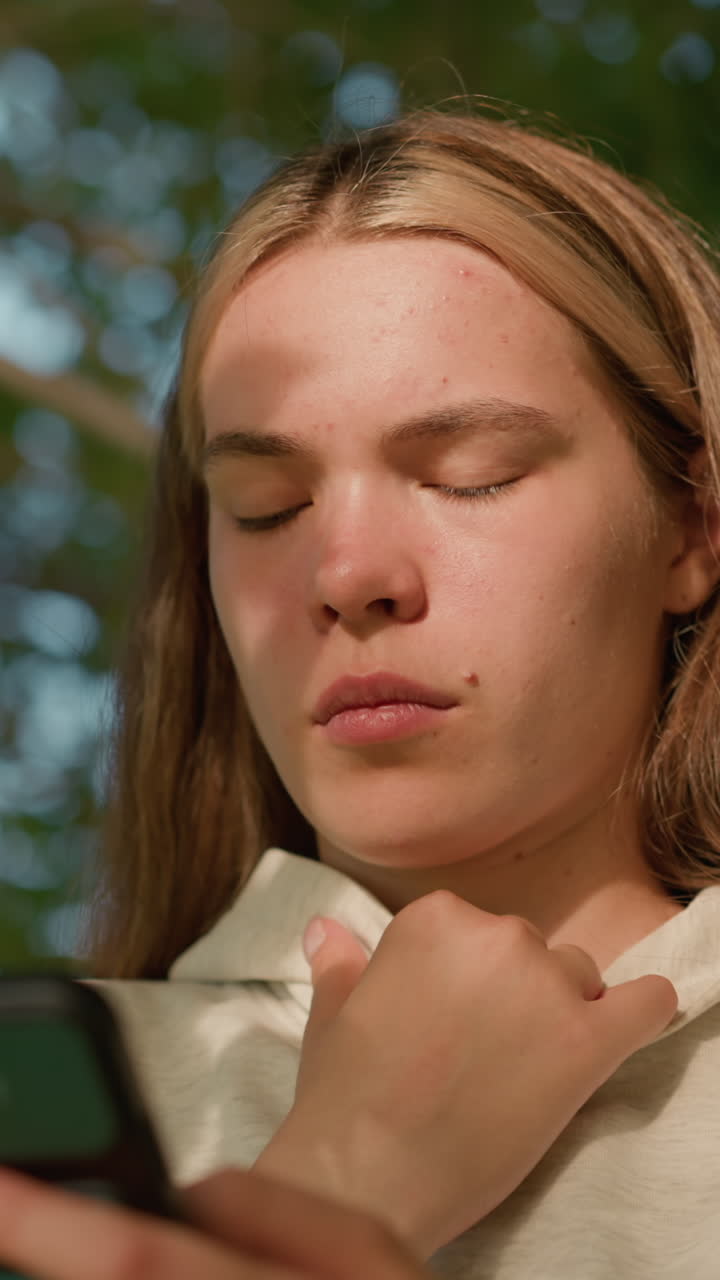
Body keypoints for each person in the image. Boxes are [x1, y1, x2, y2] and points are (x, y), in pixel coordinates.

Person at [14, 101, 720, 1276]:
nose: (346, 576)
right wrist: (344, 1182)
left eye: (469, 475)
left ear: (692, 525)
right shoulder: (36, 1120)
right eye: (268, 508)